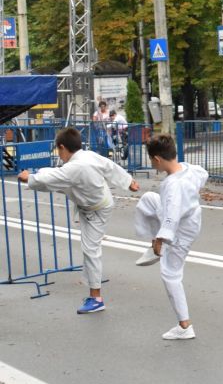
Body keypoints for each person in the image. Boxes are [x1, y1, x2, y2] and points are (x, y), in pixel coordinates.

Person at [17, 126, 139, 314]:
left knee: (91, 251)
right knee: (57, 181)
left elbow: (53, 177)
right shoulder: (88, 156)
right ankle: (94, 294)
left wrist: (29, 178)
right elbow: (109, 166)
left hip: (96, 209)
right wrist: (128, 181)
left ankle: (96, 298)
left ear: (62, 147)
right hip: (94, 200)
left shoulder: (75, 167)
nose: (59, 155)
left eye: (59, 151)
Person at [132, 133, 209, 340]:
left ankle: (184, 326)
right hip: (190, 218)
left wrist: (161, 239)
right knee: (148, 200)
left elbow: (172, 215)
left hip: (182, 229)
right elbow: (203, 174)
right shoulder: (189, 168)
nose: (152, 163)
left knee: (170, 273)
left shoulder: (173, 185)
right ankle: (153, 246)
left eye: (151, 160)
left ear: (157, 159)